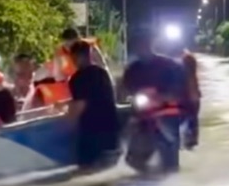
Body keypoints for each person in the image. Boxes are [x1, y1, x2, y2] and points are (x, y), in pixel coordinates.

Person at [121, 32, 186, 172]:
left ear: (151, 45)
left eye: (143, 44)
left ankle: (169, 178)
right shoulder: (132, 69)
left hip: (167, 114)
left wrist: (162, 97)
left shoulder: (168, 65)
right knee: (133, 160)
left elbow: (178, 91)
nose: (141, 48)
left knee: (170, 163)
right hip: (143, 116)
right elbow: (124, 91)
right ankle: (148, 177)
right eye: (137, 46)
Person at [66, 39, 121, 169]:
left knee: (86, 169)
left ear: (75, 57)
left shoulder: (77, 79)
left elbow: (80, 105)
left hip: (92, 134)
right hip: (111, 131)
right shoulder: (103, 73)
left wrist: (66, 124)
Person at [182, 49, 202, 150]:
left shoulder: (187, 60)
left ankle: (189, 140)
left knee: (190, 118)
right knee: (192, 119)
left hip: (187, 97)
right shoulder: (193, 74)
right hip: (191, 98)